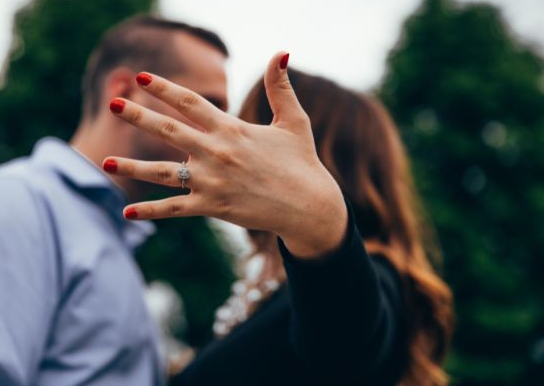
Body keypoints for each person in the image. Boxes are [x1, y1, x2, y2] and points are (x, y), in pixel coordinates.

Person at [0, 16, 229, 385]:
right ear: (125, 92)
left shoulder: (107, 230)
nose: (220, 126)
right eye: (204, 103)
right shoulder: (13, 204)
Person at [103, 55, 454, 385]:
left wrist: (321, 224)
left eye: (249, 130)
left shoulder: (375, 279)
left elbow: (344, 347)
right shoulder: (274, 290)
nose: (229, 149)